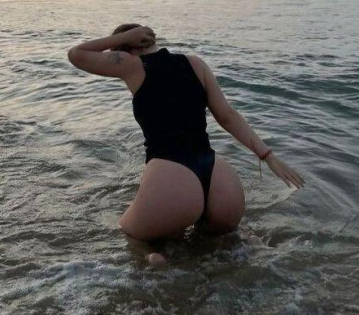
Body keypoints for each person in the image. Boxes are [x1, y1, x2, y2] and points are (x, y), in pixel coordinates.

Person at [67, 23, 305, 265]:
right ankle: (244, 244)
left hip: (173, 178)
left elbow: (76, 54)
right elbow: (227, 115)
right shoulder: (195, 64)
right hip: (219, 178)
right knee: (218, 238)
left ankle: (152, 258)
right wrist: (267, 155)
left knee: (130, 234)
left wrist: (125, 37)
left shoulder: (132, 65)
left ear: (125, 49)